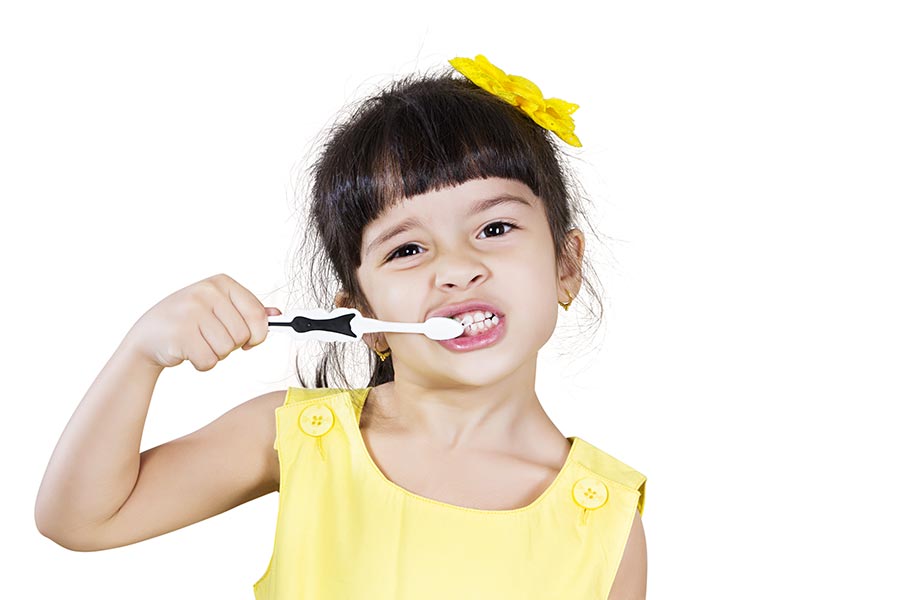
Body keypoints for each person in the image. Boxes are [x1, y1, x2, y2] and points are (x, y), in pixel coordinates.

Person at [34, 54, 647, 599]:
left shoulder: (606, 518)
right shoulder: (294, 437)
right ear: (362, 316)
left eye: (494, 228)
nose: (458, 270)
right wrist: (140, 354)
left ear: (565, 266)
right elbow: (82, 519)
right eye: (407, 249)